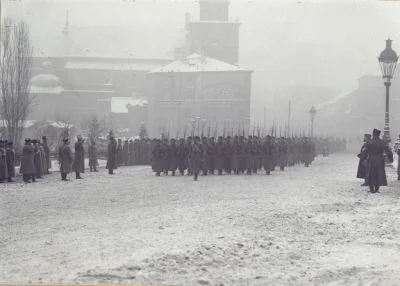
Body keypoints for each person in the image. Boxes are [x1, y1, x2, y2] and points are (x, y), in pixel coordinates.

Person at [364, 129, 393, 193]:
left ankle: (371, 189)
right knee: (379, 174)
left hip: (371, 159)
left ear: (373, 134)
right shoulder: (382, 142)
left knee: (371, 173)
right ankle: (376, 189)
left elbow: (365, 151)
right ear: (379, 135)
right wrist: (390, 158)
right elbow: (388, 151)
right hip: (379, 159)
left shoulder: (369, 142)